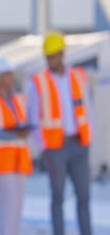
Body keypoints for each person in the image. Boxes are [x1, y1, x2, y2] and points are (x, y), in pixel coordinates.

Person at [27, 30, 93, 235]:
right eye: (47, 57)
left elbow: (87, 108)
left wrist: (87, 137)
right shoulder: (37, 82)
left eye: (53, 56)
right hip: (55, 147)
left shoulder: (78, 77)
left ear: (62, 54)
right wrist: (43, 146)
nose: (50, 60)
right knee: (58, 197)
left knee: (84, 196)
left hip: (79, 143)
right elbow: (33, 118)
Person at [0, 57, 33, 235]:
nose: (11, 78)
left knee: (16, 212)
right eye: (7, 75)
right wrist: (16, 133)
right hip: (1, 163)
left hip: (19, 161)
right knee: (7, 213)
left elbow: (25, 122)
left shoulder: (18, 99)